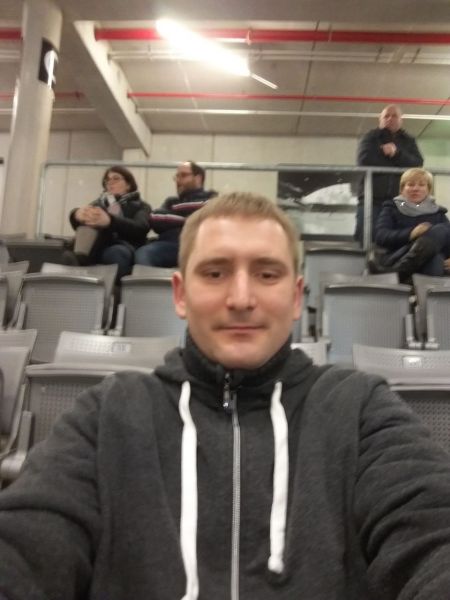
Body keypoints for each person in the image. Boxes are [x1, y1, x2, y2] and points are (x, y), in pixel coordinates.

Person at [2, 192, 450, 599]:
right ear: (181, 294)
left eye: (267, 274)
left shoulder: (360, 409)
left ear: (297, 297)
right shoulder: (108, 413)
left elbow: (432, 533)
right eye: (215, 273)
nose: (240, 298)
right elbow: (27, 542)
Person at [63, 165, 151, 279]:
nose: (110, 182)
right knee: (87, 227)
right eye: (107, 180)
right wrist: (75, 214)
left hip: (123, 244)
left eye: (116, 178)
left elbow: (141, 228)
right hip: (98, 244)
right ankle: (79, 260)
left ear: (128, 185)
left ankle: (81, 262)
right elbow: (81, 225)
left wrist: (110, 221)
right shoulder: (99, 203)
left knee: (116, 253)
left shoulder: (141, 206)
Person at [355, 104, 423, 244]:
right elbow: (364, 160)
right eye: (386, 116)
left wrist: (396, 154)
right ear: (380, 119)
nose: (390, 119)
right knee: (366, 239)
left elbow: (417, 164)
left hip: (399, 201)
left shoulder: (409, 140)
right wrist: (391, 158)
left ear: (401, 120)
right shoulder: (370, 137)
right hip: (371, 199)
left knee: (397, 240)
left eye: (394, 116)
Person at [134, 160, 216, 267]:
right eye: (177, 176)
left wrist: (172, 215)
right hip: (170, 244)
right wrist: (189, 219)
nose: (178, 180)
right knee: (143, 253)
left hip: (198, 244)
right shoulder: (171, 201)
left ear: (198, 178)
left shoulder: (211, 198)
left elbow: (207, 218)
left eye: (183, 175)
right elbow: (155, 218)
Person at [373, 167, 450, 280]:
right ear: (402, 189)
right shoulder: (391, 208)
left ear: (428, 190)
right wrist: (411, 233)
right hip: (399, 255)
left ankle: (400, 271)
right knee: (438, 242)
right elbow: (381, 237)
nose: (416, 189)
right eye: (410, 184)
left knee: (441, 234)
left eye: (421, 185)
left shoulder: (438, 212)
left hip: (429, 262)